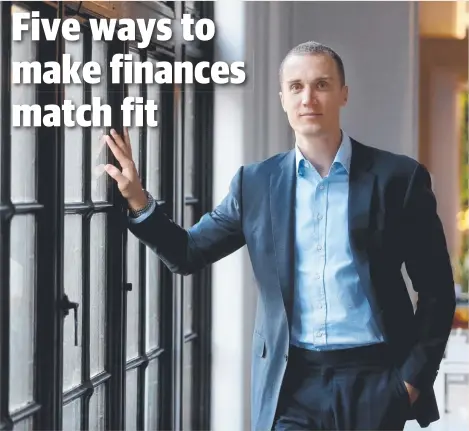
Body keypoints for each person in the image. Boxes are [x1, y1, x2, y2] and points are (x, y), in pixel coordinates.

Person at [103, 41, 456, 430]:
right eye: (296, 87)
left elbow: (437, 290)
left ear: (343, 94)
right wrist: (137, 198)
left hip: (373, 381)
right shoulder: (255, 184)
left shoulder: (398, 180)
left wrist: (409, 383)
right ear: (282, 99)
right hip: (292, 383)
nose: (309, 97)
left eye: (322, 84)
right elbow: (188, 252)